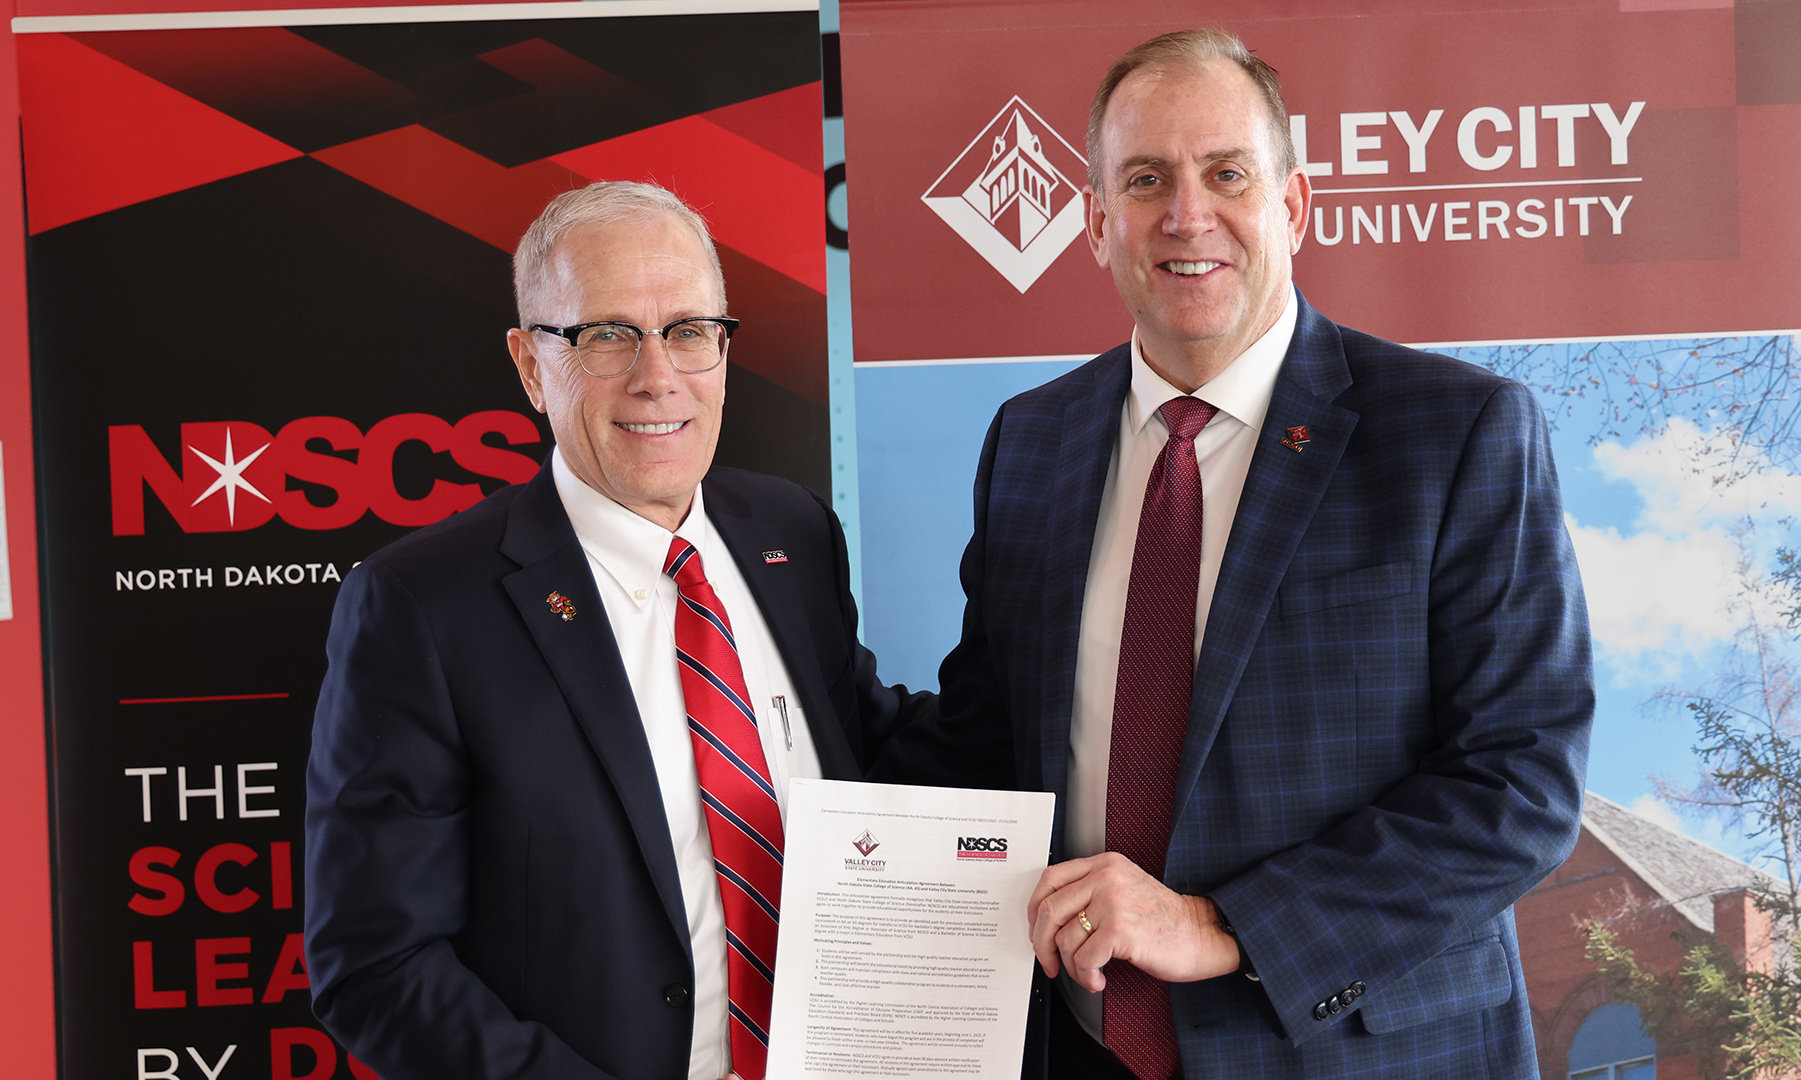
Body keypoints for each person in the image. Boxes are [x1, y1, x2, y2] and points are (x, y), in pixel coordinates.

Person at [871, 29, 1593, 1080]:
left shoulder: (1454, 432)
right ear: (1095, 222)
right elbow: (989, 748)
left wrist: (1224, 927)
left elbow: (1520, 782)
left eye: (1226, 174)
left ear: (1292, 206)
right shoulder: (1029, 443)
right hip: (1079, 1050)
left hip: (1365, 1055)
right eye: (1146, 179)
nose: (1186, 215)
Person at [306, 181, 924, 1080]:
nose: (656, 376)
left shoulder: (789, 532)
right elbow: (377, 966)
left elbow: (870, 746)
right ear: (529, 365)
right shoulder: (422, 608)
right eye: (605, 336)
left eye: (687, 331)